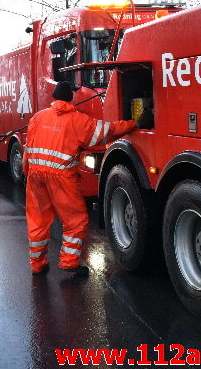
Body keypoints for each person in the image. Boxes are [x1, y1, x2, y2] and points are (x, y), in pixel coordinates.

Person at [23, 81, 137, 276]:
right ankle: (69, 262)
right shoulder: (77, 120)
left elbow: (28, 148)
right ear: (70, 98)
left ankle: (37, 264)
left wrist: (28, 173)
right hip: (61, 178)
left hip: (36, 176)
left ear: (54, 97)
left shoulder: (38, 118)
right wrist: (133, 123)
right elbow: (107, 132)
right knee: (75, 221)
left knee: (38, 220)